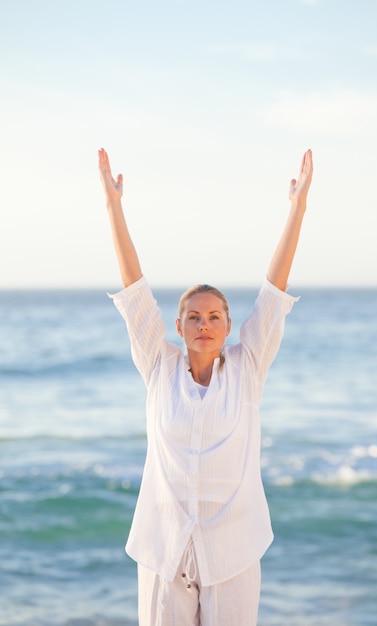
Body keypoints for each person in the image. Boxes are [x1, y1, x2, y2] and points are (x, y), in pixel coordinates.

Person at [98, 147, 313, 626]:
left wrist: (297, 208)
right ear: (177, 325)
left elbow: (274, 293)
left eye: (214, 316)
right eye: (193, 317)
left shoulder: (248, 366)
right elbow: (134, 289)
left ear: (230, 325)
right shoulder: (158, 363)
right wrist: (114, 204)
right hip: (164, 551)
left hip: (232, 552)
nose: (204, 324)